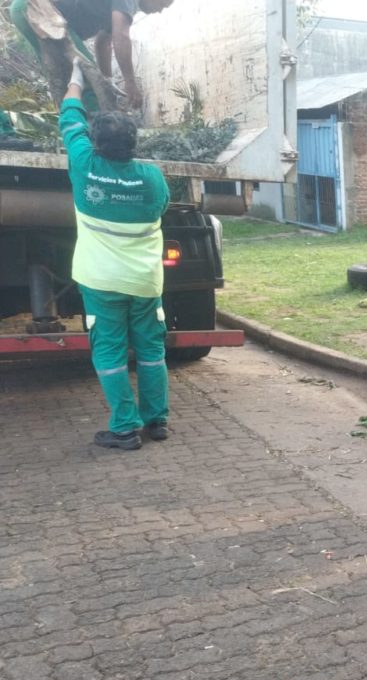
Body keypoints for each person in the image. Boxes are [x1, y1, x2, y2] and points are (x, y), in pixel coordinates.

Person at [60, 60, 171, 449]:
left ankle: (124, 428)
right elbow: (160, 209)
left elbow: (69, 119)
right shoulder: (152, 177)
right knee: (151, 349)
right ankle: (156, 421)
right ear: (133, 143)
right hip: (145, 282)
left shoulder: (83, 163)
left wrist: (76, 78)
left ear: (95, 143)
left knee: (108, 350)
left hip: (101, 281)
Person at [11, 0, 175, 111]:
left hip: (25, 8)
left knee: (68, 81)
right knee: (86, 84)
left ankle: (78, 134)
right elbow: (121, 37)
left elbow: (103, 42)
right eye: (163, 3)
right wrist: (130, 83)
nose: (161, 10)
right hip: (39, 8)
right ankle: (98, 140)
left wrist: (107, 81)